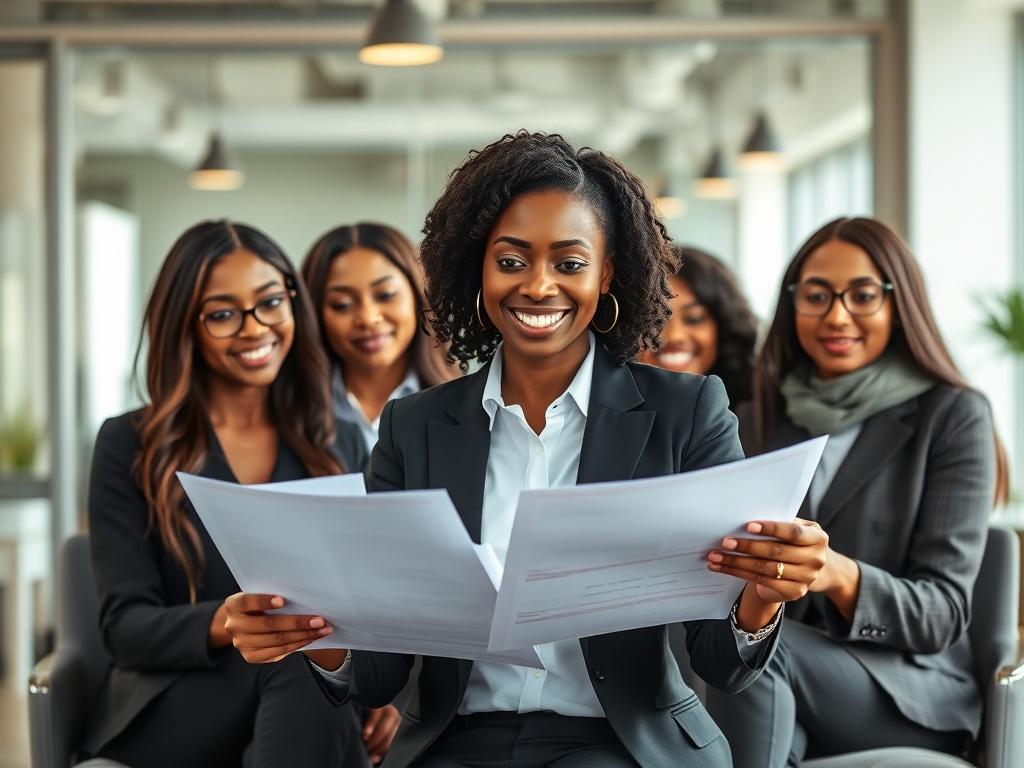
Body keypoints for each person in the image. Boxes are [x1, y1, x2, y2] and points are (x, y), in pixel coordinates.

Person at [222, 132, 832, 768]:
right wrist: (312, 632)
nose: (538, 287)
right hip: (456, 745)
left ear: (608, 272)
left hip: (619, 744)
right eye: (511, 261)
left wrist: (764, 593)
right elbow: (378, 673)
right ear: (475, 268)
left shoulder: (685, 413)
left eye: (569, 263)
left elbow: (720, 660)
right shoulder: (414, 427)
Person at [83, 220, 399, 768]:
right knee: (299, 661)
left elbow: (368, 602)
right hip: (178, 700)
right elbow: (124, 628)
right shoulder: (129, 444)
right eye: (224, 314)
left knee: (317, 675)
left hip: (299, 702)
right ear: (187, 324)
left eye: (270, 302)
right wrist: (227, 622)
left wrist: (384, 690)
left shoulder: (337, 439)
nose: (255, 329)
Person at [705, 216, 1009, 766]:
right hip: (791, 686)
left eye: (862, 295)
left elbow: (941, 612)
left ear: (899, 303)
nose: (836, 315)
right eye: (816, 295)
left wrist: (835, 573)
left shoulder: (952, 415)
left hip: (907, 691)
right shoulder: (758, 415)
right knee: (740, 670)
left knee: (760, 659)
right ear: (791, 303)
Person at [301, 222, 456, 453]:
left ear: (418, 297)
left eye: (385, 295)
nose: (368, 318)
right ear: (314, 313)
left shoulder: (465, 406)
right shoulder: (293, 412)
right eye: (342, 304)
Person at [638, 245, 757, 407]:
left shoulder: (758, 417)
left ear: (724, 327)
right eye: (655, 320)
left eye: (694, 319)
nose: (674, 336)